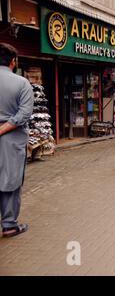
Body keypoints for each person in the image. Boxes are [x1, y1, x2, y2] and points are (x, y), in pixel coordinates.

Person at [0, 43, 34, 238]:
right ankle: (9, 224)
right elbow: (24, 114)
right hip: (12, 139)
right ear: (13, 62)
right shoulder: (22, 83)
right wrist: (4, 128)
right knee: (11, 181)